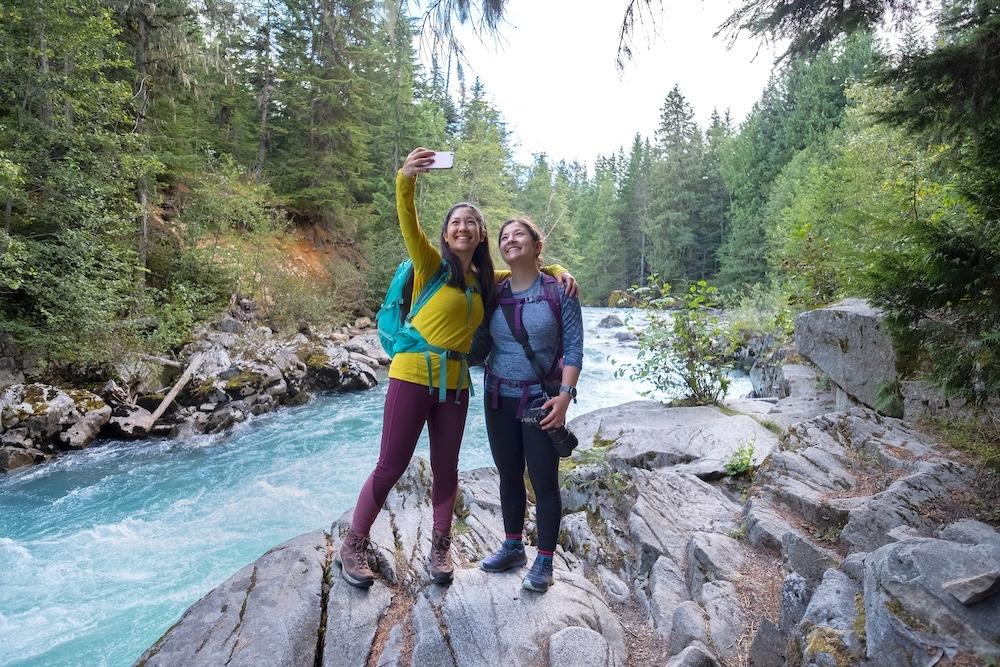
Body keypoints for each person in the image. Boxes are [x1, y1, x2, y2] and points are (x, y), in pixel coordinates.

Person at [338, 148, 575, 588]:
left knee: (448, 468)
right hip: (411, 376)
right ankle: (353, 544)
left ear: (480, 233)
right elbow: (407, 221)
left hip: (456, 385)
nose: (462, 227)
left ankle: (440, 547)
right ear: (446, 235)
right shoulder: (430, 266)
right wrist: (405, 179)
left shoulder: (486, 281)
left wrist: (556, 268)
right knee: (392, 464)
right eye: (454, 223)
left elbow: (525, 270)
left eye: (470, 222)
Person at [479, 216, 583, 593]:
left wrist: (566, 397)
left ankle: (545, 560)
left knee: (544, 483)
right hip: (497, 398)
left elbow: (574, 348)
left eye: (519, 234)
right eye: (504, 237)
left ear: (537, 246)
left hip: (541, 401)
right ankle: (512, 546)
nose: (510, 239)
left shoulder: (560, 290)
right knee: (508, 474)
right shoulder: (495, 288)